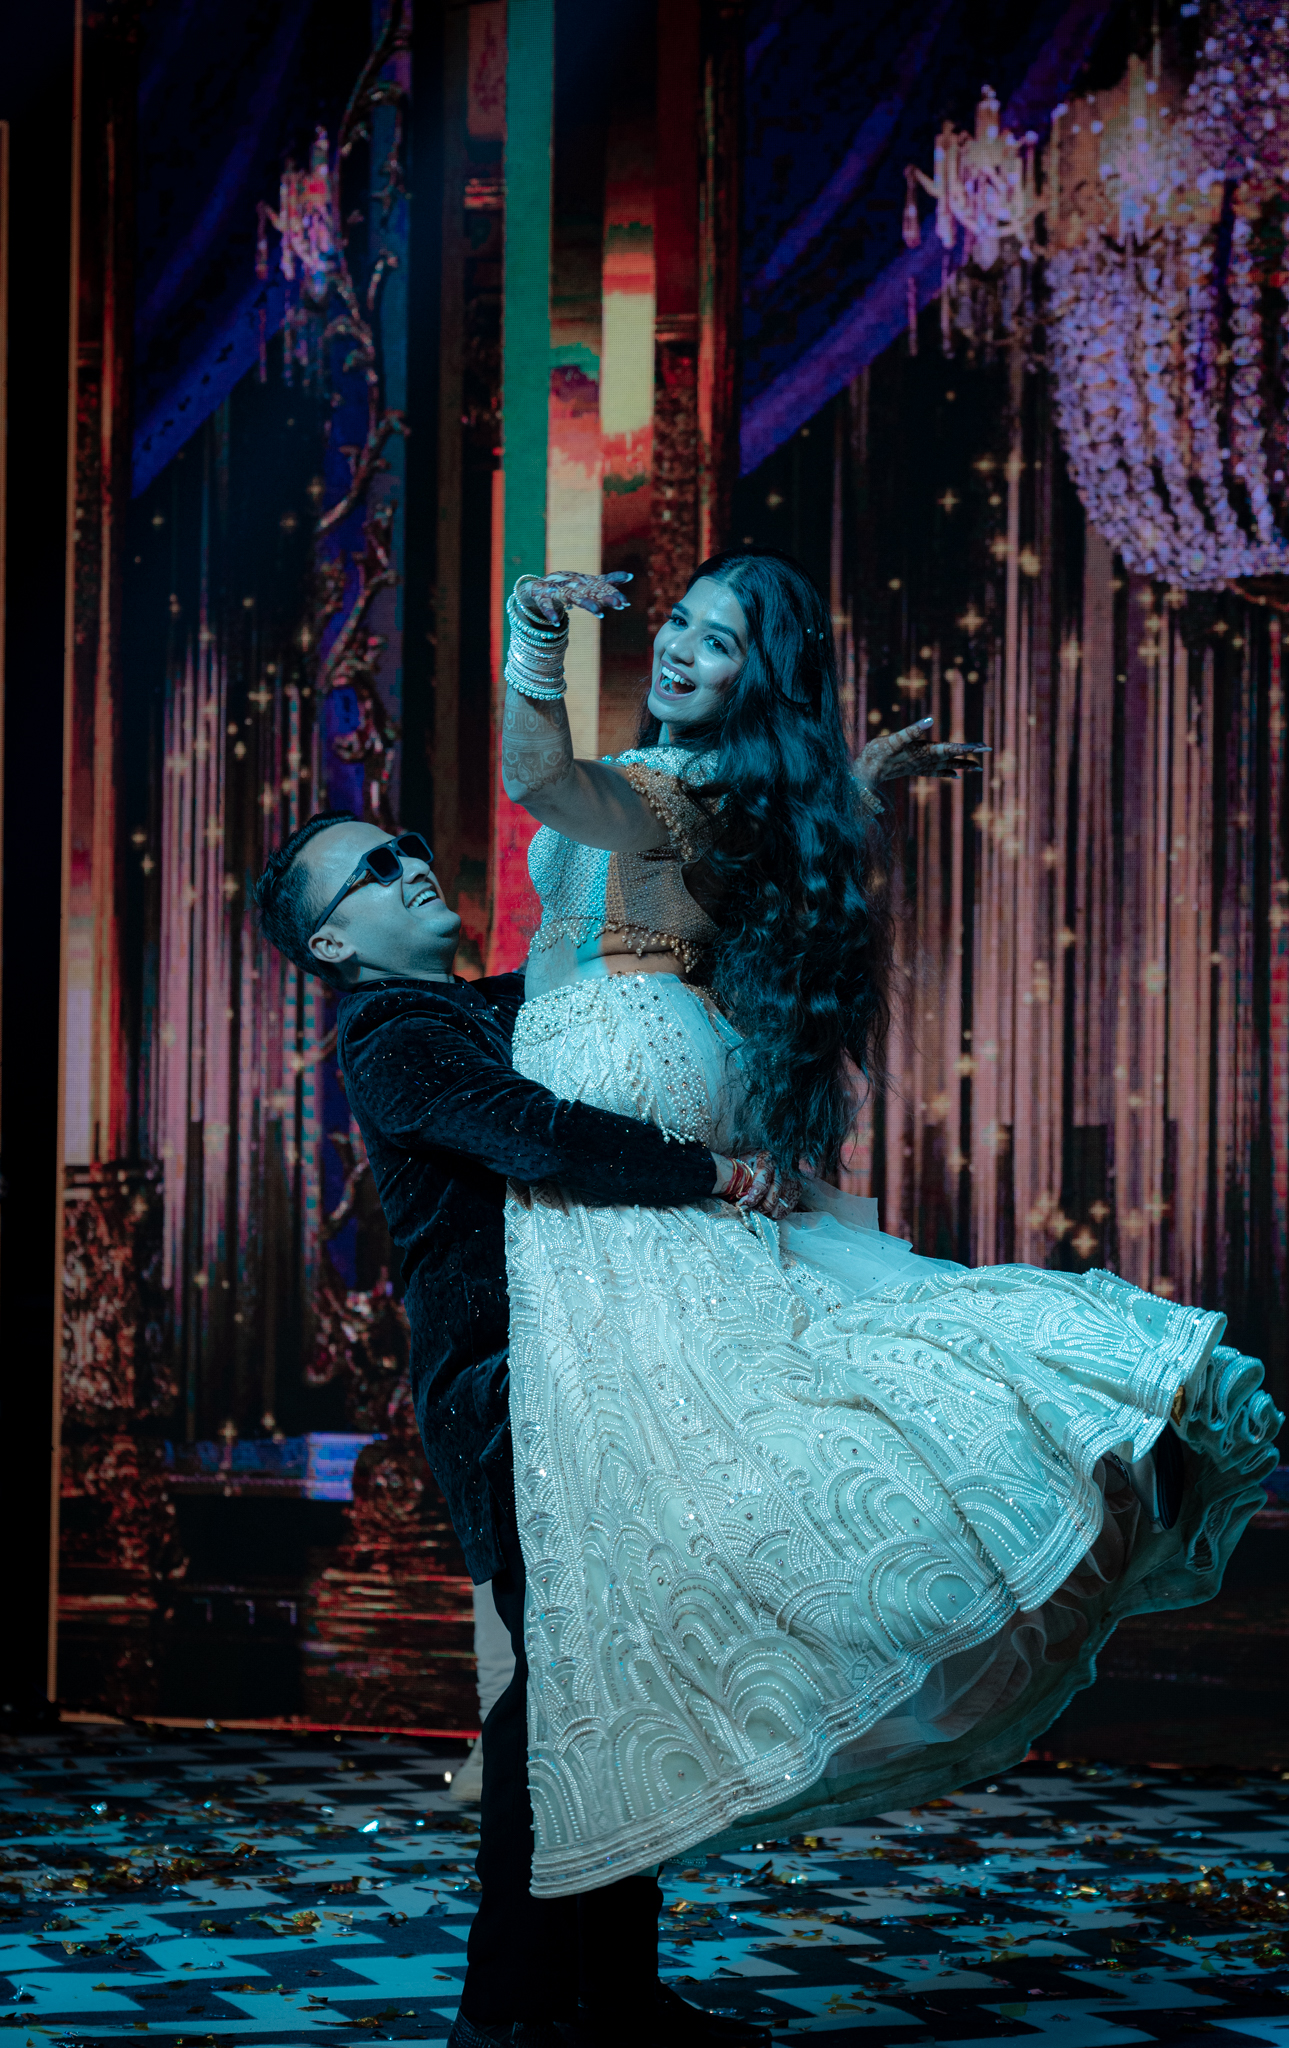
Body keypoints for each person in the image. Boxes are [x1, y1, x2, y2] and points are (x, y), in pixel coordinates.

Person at [496, 550, 1282, 1903]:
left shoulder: (671, 786)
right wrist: (852, 790)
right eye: (678, 621)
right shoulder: (720, 789)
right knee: (717, 1389)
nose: (679, 647)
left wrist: (530, 635)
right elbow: (723, 863)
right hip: (635, 1047)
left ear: (759, 679)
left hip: (613, 1055)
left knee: (687, 1412)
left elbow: (538, 783)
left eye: (719, 641)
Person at [254, 816, 781, 2048]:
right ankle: (513, 2010)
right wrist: (711, 1172)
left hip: (588, 1378)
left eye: (405, 843)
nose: (408, 863)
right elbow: (538, 1132)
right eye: (372, 868)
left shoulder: (496, 1004)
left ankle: (603, 1995)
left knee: (612, 1683)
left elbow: (635, 970)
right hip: (510, 1400)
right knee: (562, 1697)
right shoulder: (391, 1033)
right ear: (331, 942)